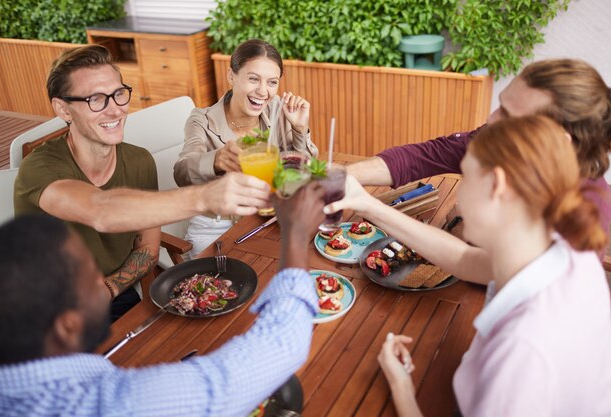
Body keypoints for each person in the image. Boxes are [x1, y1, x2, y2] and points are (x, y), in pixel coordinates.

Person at [326, 116, 611, 416]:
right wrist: (366, 203)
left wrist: (402, 388)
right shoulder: (560, 248)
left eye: (466, 179)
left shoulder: (523, 350)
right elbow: (464, 259)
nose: (457, 198)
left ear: (498, 185)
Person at [0, 180, 325, 417]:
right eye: (92, 276)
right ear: (67, 326)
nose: (103, 282)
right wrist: (295, 234)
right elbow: (281, 345)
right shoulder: (121, 404)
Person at [14, 45, 271, 321]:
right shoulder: (40, 168)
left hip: (117, 296)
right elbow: (100, 211)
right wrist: (205, 197)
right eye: (96, 99)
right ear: (63, 109)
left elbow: (147, 249)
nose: (114, 111)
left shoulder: (139, 161)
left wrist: (111, 287)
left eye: (118, 95)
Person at [347, 59, 611, 232]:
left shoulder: (581, 217)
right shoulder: (501, 142)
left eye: (508, 115)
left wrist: (461, 222)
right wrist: (341, 176)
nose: (491, 119)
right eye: (500, 104)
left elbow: (481, 265)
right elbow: (421, 157)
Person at [173, 38, 318, 255]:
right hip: (215, 226)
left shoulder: (279, 109)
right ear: (231, 75)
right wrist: (216, 159)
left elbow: (303, 175)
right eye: (253, 79)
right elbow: (182, 172)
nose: (263, 91)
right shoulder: (201, 120)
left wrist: (299, 129)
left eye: (272, 82)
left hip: (266, 219)